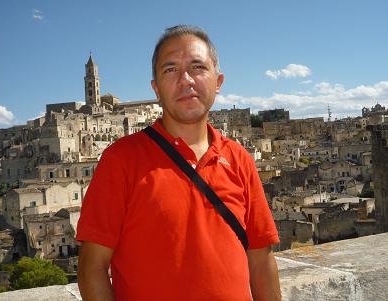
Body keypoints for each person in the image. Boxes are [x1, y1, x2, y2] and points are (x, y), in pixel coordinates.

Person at [77, 25, 281, 301]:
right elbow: (92, 268)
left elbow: (261, 261)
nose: (186, 80)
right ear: (156, 89)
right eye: (171, 69)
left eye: (197, 67)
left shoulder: (239, 158)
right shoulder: (120, 160)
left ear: (218, 82)